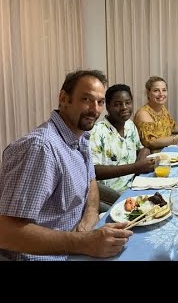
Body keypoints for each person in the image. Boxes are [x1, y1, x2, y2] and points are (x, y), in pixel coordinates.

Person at [0, 70, 133, 261]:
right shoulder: (41, 148)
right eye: (86, 99)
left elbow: (91, 182)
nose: (94, 110)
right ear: (64, 99)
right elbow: (6, 233)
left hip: (78, 243)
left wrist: (90, 215)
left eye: (100, 102)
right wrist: (82, 242)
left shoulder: (81, 137)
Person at [89, 84, 155, 208]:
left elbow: (140, 148)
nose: (124, 107)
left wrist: (144, 153)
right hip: (114, 194)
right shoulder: (97, 132)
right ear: (107, 106)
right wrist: (136, 167)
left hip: (136, 183)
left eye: (128, 102)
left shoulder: (130, 125)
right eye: (117, 104)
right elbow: (94, 171)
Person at [134, 76, 178, 152]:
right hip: (154, 156)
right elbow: (151, 142)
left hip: (169, 149)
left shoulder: (162, 108)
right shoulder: (143, 113)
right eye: (156, 90)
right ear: (148, 93)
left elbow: (172, 127)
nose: (161, 94)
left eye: (164, 90)